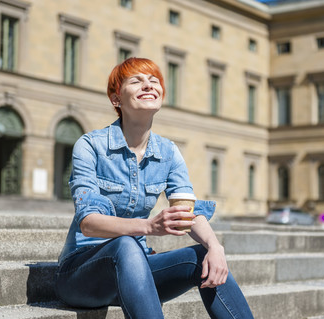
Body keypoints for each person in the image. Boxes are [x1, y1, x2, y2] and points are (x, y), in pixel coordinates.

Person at [55, 57, 254, 319]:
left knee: (204, 256)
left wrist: (215, 247)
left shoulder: (168, 152)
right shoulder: (91, 145)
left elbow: (187, 212)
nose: (148, 85)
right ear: (116, 99)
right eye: (136, 81)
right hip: (82, 274)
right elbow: (89, 223)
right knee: (125, 244)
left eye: (154, 81)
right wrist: (148, 227)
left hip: (138, 272)